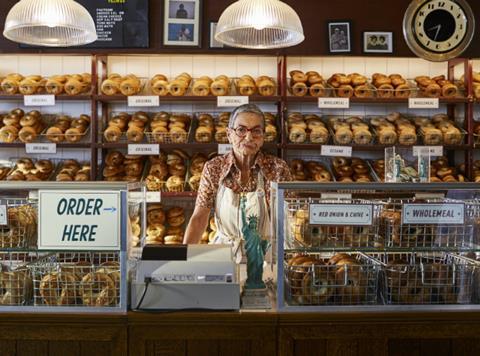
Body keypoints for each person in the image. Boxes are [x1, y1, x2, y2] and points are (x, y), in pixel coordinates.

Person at [183, 104, 292, 265]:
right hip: (224, 257)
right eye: (241, 130)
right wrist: (182, 261)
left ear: (263, 137)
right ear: (229, 134)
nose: (249, 138)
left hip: (265, 257)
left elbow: (288, 220)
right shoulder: (214, 167)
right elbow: (199, 218)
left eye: (256, 131)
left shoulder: (277, 168)